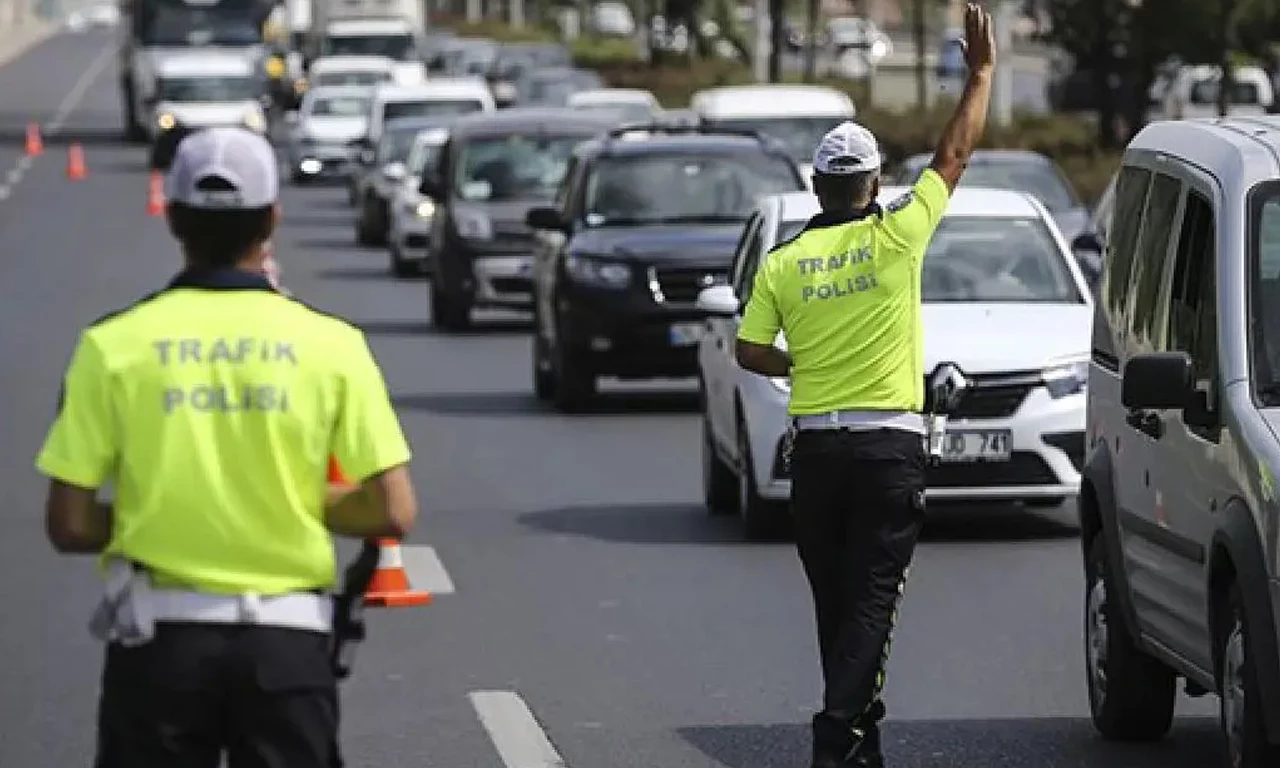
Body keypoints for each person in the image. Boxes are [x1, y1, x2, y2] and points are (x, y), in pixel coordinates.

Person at [36, 126, 418, 768]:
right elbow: (391, 509)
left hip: (159, 643)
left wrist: (165, 512)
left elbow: (69, 524)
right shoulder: (332, 346)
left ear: (174, 218)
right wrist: (287, 502)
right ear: (271, 218)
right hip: (288, 646)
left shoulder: (112, 346)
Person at [732, 5, 996, 767]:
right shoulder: (898, 235)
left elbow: (750, 352)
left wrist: (800, 366)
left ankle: (858, 741)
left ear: (817, 187)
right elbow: (954, 155)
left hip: (815, 454)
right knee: (873, 603)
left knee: (837, 605)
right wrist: (979, 74)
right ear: (875, 183)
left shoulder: (783, 262)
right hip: (889, 450)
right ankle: (834, 734)